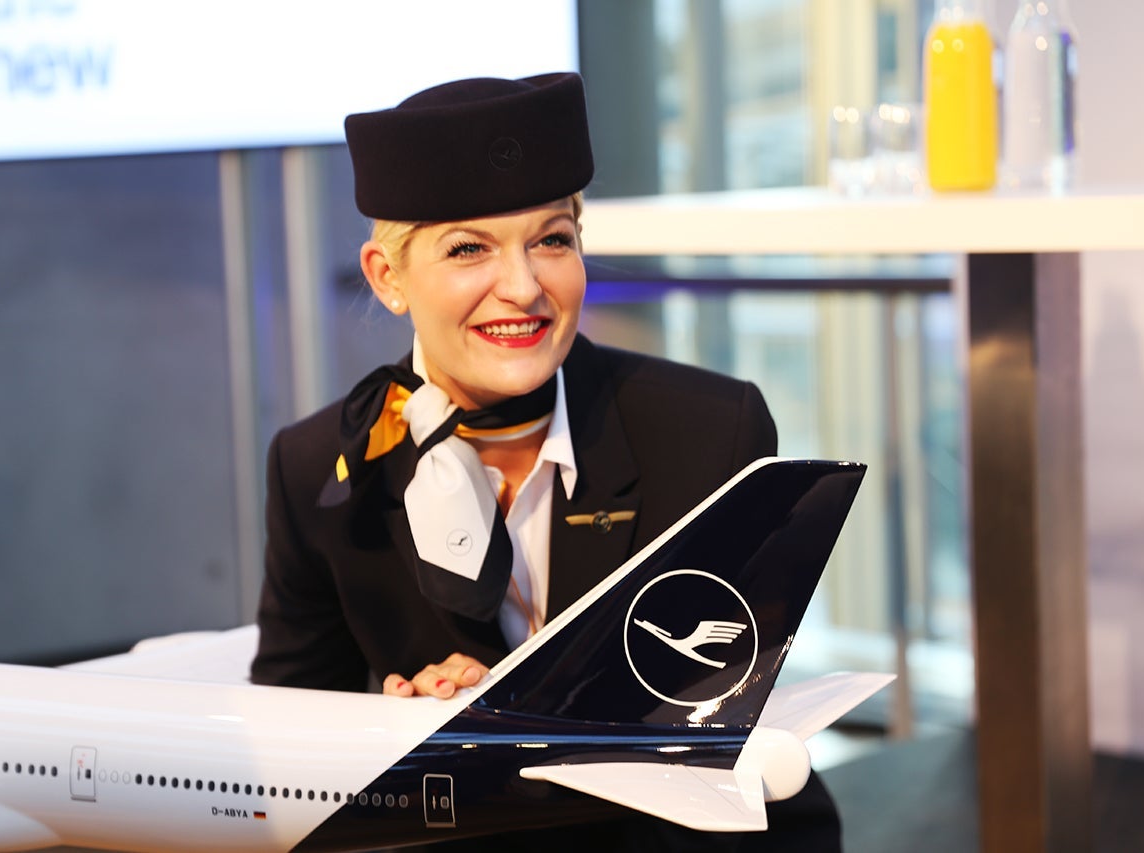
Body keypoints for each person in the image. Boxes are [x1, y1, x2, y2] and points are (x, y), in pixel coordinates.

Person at [251, 72, 842, 851]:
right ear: (387, 277)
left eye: (551, 240)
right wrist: (397, 732)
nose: (524, 287)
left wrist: (495, 722)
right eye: (469, 249)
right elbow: (282, 748)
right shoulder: (319, 467)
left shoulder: (710, 433)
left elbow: (711, 715)